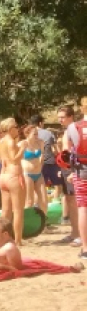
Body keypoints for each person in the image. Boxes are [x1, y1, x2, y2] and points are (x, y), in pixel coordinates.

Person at [60, 105, 86, 251]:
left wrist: (70, 170)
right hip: (75, 169)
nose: (60, 120)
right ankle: (76, 234)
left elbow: (67, 152)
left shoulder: (73, 128)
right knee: (74, 203)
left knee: (81, 206)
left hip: (78, 170)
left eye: (62, 117)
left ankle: (82, 242)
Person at [0, 118, 26, 246]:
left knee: (5, 211)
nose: (18, 129)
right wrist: (23, 148)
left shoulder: (0, 142)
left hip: (3, 176)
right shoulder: (10, 142)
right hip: (14, 175)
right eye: (16, 126)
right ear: (10, 129)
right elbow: (14, 159)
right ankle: (18, 240)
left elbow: (1, 159)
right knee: (18, 210)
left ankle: (1, 238)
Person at [21, 121, 48, 220]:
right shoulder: (22, 144)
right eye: (34, 134)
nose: (37, 135)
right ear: (27, 134)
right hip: (27, 174)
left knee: (44, 200)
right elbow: (16, 159)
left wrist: (41, 160)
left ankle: (43, 222)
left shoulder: (40, 142)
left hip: (38, 173)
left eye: (37, 133)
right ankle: (26, 223)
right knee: (29, 201)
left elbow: (42, 155)